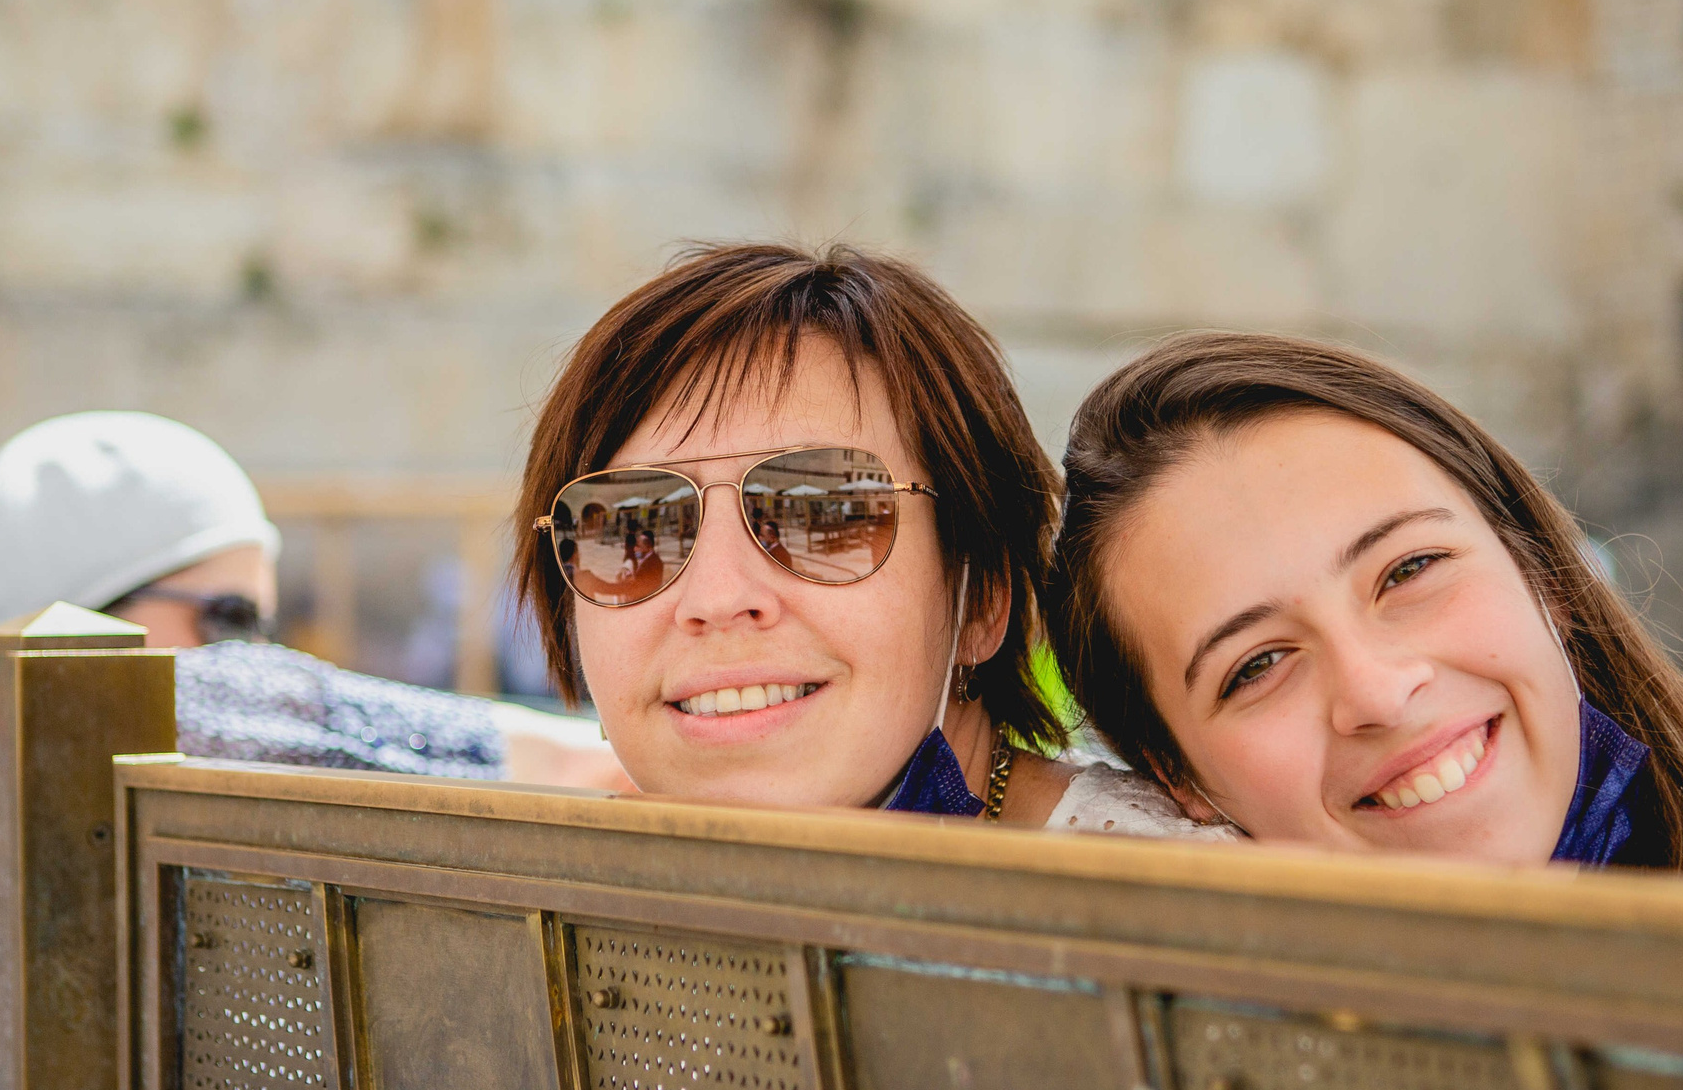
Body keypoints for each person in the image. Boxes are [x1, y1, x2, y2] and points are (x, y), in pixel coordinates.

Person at [1046, 332, 1683, 908]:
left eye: (1409, 569)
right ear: (1180, 778)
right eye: (1257, 664)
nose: (1376, 689)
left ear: (1543, 575)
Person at [513, 241, 1218, 838]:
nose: (717, 597)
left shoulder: (1152, 910)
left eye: (825, 515)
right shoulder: (538, 870)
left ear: (981, 599)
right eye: (633, 528)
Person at [0, 411, 625, 788]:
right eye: (229, 618)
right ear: (88, 613)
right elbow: (557, 765)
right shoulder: (177, 703)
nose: (251, 659)